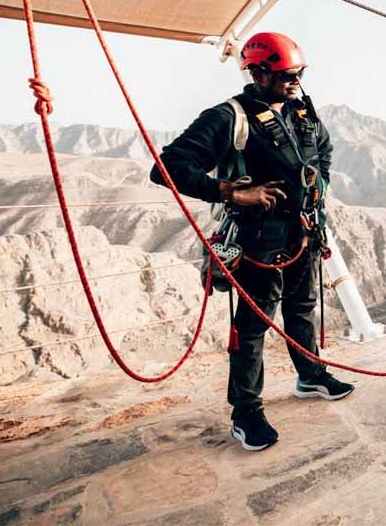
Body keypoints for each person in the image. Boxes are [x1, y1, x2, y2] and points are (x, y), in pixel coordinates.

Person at [149, 32, 353, 452]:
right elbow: (167, 167)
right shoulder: (228, 118)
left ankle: (310, 375)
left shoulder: (301, 112)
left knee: (302, 308)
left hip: (303, 231)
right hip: (258, 240)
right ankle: (246, 412)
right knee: (253, 326)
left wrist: (319, 188)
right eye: (286, 75)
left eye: (299, 73)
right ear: (258, 74)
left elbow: (323, 151)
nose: (295, 81)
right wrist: (232, 192)